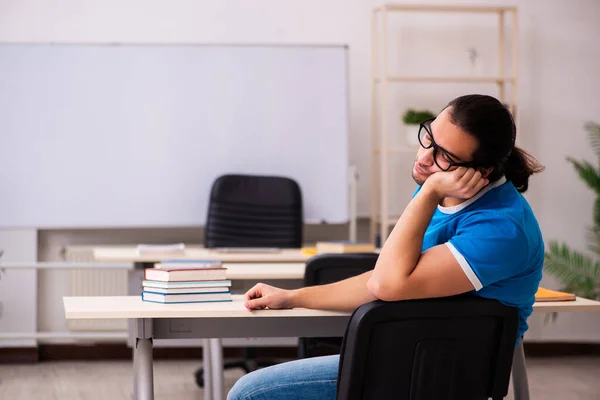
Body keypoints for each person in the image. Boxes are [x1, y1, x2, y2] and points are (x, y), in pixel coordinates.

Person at [227, 94, 545, 400]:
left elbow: (386, 285)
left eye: (444, 157)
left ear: (482, 171)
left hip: (447, 367)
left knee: (249, 392)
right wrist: (292, 296)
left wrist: (429, 191)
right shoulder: (438, 191)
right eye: (429, 137)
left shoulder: (501, 229)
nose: (423, 158)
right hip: (408, 348)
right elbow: (382, 278)